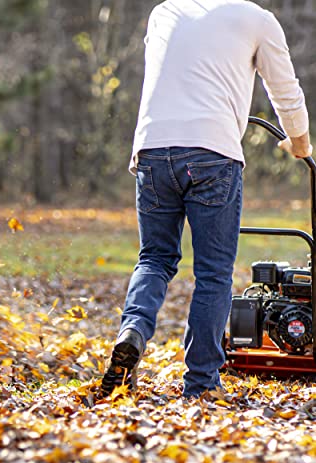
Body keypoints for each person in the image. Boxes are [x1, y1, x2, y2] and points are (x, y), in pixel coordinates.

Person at [100, 0, 312, 399]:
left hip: (152, 149)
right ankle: (200, 384)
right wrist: (299, 141)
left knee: (155, 259)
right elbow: (285, 90)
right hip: (213, 153)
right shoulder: (257, 19)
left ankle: (133, 331)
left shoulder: (164, 12)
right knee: (214, 273)